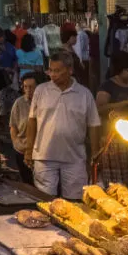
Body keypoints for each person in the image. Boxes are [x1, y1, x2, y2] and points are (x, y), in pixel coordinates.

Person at [25, 50, 101, 200]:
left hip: (74, 157)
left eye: (58, 71)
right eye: (51, 70)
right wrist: (29, 150)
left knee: (75, 201)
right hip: (44, 155)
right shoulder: (41, 91)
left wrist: (95, 153)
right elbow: (32, 121)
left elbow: (93, 125)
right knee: (45, 200)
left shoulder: (84, 94)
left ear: (70, 70)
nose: (53, 75)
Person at [95, 51, 128, 185]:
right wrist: (123, 104)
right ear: (121, 70)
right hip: (115, 139)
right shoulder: (107, 86)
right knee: (118, 182)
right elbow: (99, 109)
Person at [10, 73, 43, 185]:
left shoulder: (44, 102)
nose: (29, 90)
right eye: (26, 87)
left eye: (32, 87)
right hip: (22, 150)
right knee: (27, 182)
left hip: (41, 151)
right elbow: (13, 125)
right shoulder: (19, 103)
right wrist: (16, 142)